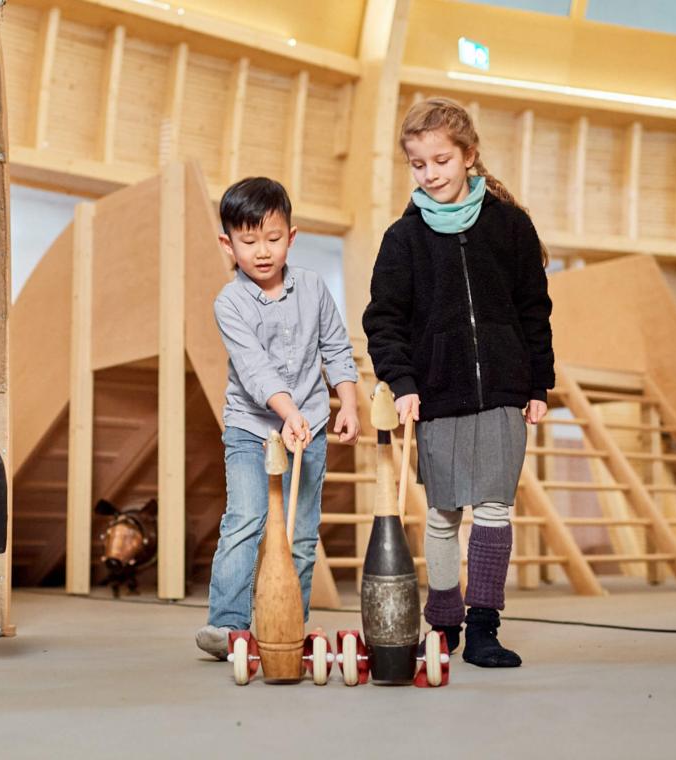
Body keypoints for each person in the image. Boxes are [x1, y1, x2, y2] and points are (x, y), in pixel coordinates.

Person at [363, 97, 554, 668]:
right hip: (437, 396)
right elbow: (385, 319)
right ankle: (443, 624)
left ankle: (485, 627)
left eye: (442, 159)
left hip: (502, 393)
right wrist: (401, 382)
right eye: (419, 164)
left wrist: (538, 384)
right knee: (444, 514)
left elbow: (534, 309)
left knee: (494, 510)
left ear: (469, 155)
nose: (432, 173)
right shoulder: (404, 239)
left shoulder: (510, 226)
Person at [196, 177, 360, 660]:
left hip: (308, 427)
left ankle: (289, 620)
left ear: (291, 236)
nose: (262, 251)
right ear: (228, 243)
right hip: (252, 428)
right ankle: (227, 626)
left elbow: (336, 347)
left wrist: (347, 403)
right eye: (248, 242)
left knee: (301, 532)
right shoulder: (229, 303)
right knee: (246, 520)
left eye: (272, 238)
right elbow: (255, 369)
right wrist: (285, 413)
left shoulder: (312, 286)